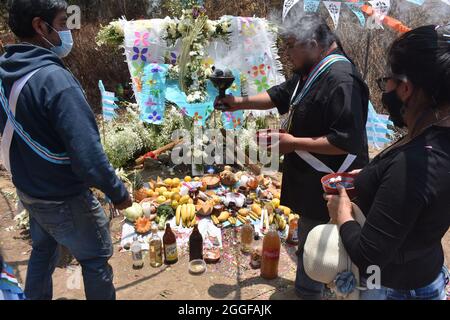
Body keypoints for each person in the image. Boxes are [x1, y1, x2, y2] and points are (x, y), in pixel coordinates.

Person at [217, 14, 369, 299]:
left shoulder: (341, 79)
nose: (287, 54)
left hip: (330, 182)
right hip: (312, 178)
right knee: (313, 239)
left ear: (312, 43)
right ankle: (314, 287)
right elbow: (279, 95)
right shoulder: (311, 71)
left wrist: (291, 142)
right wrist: (237, 103)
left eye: (290, 47)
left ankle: (308, 292)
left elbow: (346, 140)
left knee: (317, 245)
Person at [0, 0, 132, 300]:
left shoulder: (6, 72)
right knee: (95, 258)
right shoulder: (55, 80)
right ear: (39, 26)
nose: (67, 31)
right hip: (63, 196)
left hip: (31, 191)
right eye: (61, 24)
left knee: (44, 251)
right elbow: (88, 158)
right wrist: (119, 194)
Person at [326, 25, 450, 300]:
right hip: (427, 274)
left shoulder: (414, 164)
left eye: (388, 81)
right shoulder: (434, 137)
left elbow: (368, 256)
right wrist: (374, 176)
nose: (386, 89)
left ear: (405, 88)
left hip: (391, 287)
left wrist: (342, 212)